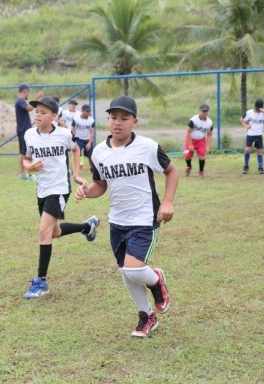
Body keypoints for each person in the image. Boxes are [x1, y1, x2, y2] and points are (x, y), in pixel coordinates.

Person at [75, 96, 178, 338]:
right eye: (113, 118)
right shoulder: (98, 152)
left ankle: (156, 280)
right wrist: (87, 191)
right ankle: (146, 316)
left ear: (135, 121)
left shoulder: (148, 146)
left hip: (144, 219)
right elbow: (101, 185)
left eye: (124, 118)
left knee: (133, 270)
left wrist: (168, 202)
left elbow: (171, 171)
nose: (117, 123)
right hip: (117, 221)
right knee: (127, 272)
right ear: (108, 120)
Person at [21, 96, 100, 300]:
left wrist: (75, 174)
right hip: (42, 189)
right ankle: (87, 227)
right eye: (36, 111)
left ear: (54, 116)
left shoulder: (64, 134)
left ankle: (41, 281)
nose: (38, 115)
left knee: (43, 231)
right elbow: (26, 158)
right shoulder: (29, 134)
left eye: (43, 112)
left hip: (59, 188)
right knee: (53, 232)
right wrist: (29, 167)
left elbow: (75, 149)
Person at [15, 83, 44, 181]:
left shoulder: (20, 101)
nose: (28, 95)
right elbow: (30, 108)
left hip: (23, 129)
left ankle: (23, 174)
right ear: (25, 91)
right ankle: (28, 174)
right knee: (25, 153)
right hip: (23, 130)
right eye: (28, 92)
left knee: (23, 152)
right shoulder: (20, 101)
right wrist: (37, 97)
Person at [240, 99, 264, 174]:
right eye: (257, 108)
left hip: (259, 134)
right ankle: (246, 166)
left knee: (259, 151)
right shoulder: (249, 112)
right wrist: (245, 126)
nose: (258, 110)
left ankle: (260, 167)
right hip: (250, 134)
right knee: (247, 149)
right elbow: (241, 118)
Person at [184, 104, 213, 177]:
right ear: (199, 111)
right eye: (203, 111)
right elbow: (188, 132)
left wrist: (208, 146)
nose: (204, 112)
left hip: (201, 140)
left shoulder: (209, 122)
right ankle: (189, 167)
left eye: (206, 111)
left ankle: (201, 171)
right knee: (187, 156)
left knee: (202, 156)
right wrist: (190, 144)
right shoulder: (193, 120)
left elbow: (209, 134)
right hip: (190, 139)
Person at [71, 104, 95, 171]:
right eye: (86, 111)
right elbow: (73, 130)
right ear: (82, 111)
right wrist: (73, 140)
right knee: (78, 153)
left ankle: (92, 167)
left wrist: (89, 143)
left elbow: (92, 132)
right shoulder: (76, 119)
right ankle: (76, 169)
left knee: (90, 156)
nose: (88, 113)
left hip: (87, 139)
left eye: (89, 111)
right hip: (78, 139)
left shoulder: (91, 120)